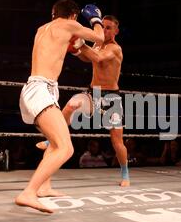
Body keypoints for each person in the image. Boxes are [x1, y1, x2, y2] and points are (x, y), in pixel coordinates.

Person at [16, 0, 104, 213]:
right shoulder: (69, 25)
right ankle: (28, 192)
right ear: (74, 15)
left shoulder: (43, 29)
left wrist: (79, 47)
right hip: (41, 91)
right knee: (66, 148)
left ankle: (44, 187)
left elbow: (93, 56)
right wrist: (95, 19)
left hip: (36, 90)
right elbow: (100, 38)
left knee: (55, 144)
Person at [36, 15, 131, 187]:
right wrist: (76, 50)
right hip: (92, 93)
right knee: (71, 105)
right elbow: (88, 57)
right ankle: (52, 139)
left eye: (109, 27)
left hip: (111, 98)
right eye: (103, 26)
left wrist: (79, 43)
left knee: (117, 141)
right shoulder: (97, 45)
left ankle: (125, 173)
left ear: (116, 31)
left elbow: (98, 58)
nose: (105, 30)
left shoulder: (115, 49)